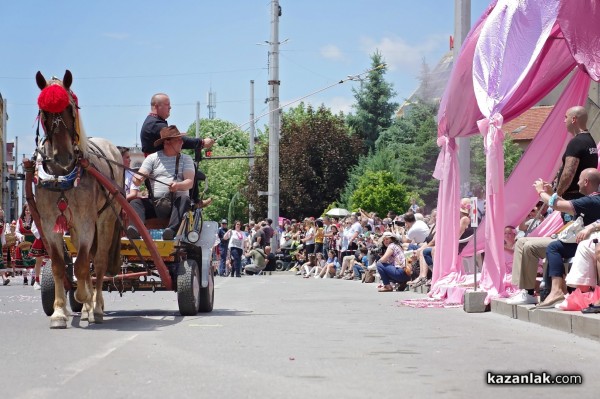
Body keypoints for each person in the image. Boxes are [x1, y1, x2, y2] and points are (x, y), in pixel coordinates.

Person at [533, 168, 600, 309]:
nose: (578, 182)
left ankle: (557, 290)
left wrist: (540, 192)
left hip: (587, 243)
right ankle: (563, 290)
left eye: (580, 179)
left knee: (554, 247)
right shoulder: (593, 199)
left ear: (586, 181)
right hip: (587, 241)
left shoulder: (591, 201)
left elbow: (557, 205)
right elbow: (566, 206)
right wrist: (552, 194)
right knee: (556, 246)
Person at [127, 125, 195, 240]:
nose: (182, 142)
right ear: (167, 142)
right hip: (156, 204)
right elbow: (140, 175)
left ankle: (171, 232)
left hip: (176, 206)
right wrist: (138, 179)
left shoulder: (186, 159)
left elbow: (189, 182)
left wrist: (178, 185)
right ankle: (135, 230)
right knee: (136, 203)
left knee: (184, 200)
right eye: (178, 140)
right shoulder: (152, 158)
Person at [140, 93, 214, 155]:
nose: (170, 107)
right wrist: (202, 142)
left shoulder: (153, 122)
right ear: (156, 106)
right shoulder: (154, 125)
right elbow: (177, 140)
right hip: (160, 167)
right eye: (167, 104)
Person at [554, 106, 597, 204]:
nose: (564, 121)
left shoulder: (576, 142)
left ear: (573, 119)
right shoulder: (590, 141)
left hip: (572, 199)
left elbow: (568, 173)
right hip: (586, 198)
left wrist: (557, 194)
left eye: (566, 117)